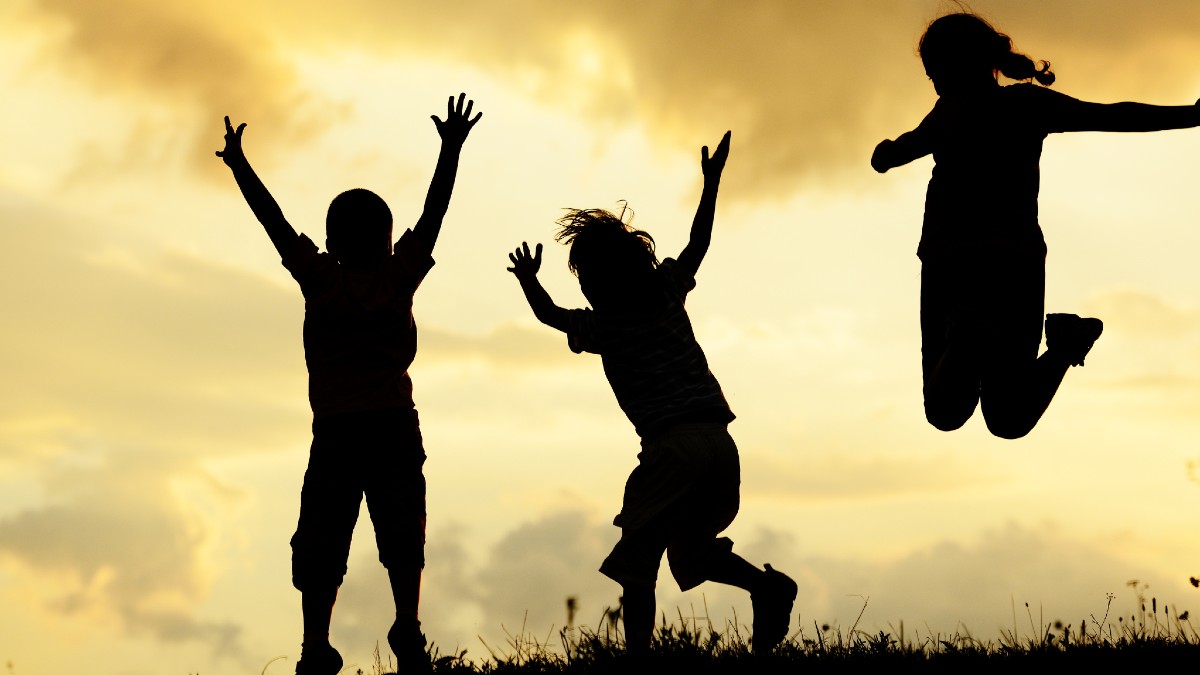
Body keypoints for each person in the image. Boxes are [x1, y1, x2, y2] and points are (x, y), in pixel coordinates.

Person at [217, 93, 481, 674]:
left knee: (323, 538)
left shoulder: (320, 279)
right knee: (402, 529)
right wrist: (451, 149)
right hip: (391, 426)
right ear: (387, 239)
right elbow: (434, 215)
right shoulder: (398, 275)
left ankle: (317, 644)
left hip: (336, 431)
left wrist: (241, 167)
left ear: (332, 241)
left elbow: (275, 223)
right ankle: (407, 627)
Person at [506, 131, 797, 655]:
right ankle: (767, 586)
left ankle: (638, 662)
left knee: (638, 562)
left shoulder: (605, 326)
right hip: (719, 445)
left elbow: (549, 316)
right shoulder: (667, 295)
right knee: (691, 553)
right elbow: (699, 244)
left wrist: (528, 279)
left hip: (672, 449)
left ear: (594, 284)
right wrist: (711, 185)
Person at [872, 12, 1200, 439]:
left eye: (934, 74)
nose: (934, 84)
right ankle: (1064, 346)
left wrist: (885, 150)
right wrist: (1191, 117)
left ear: (951, 68)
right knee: (1009, 419)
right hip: (1015, 263)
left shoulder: (949, 112)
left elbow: (890, 157)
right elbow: (1113, 115)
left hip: (952, 261)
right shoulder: (1028, 105)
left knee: (944, 412)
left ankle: (969, 334)